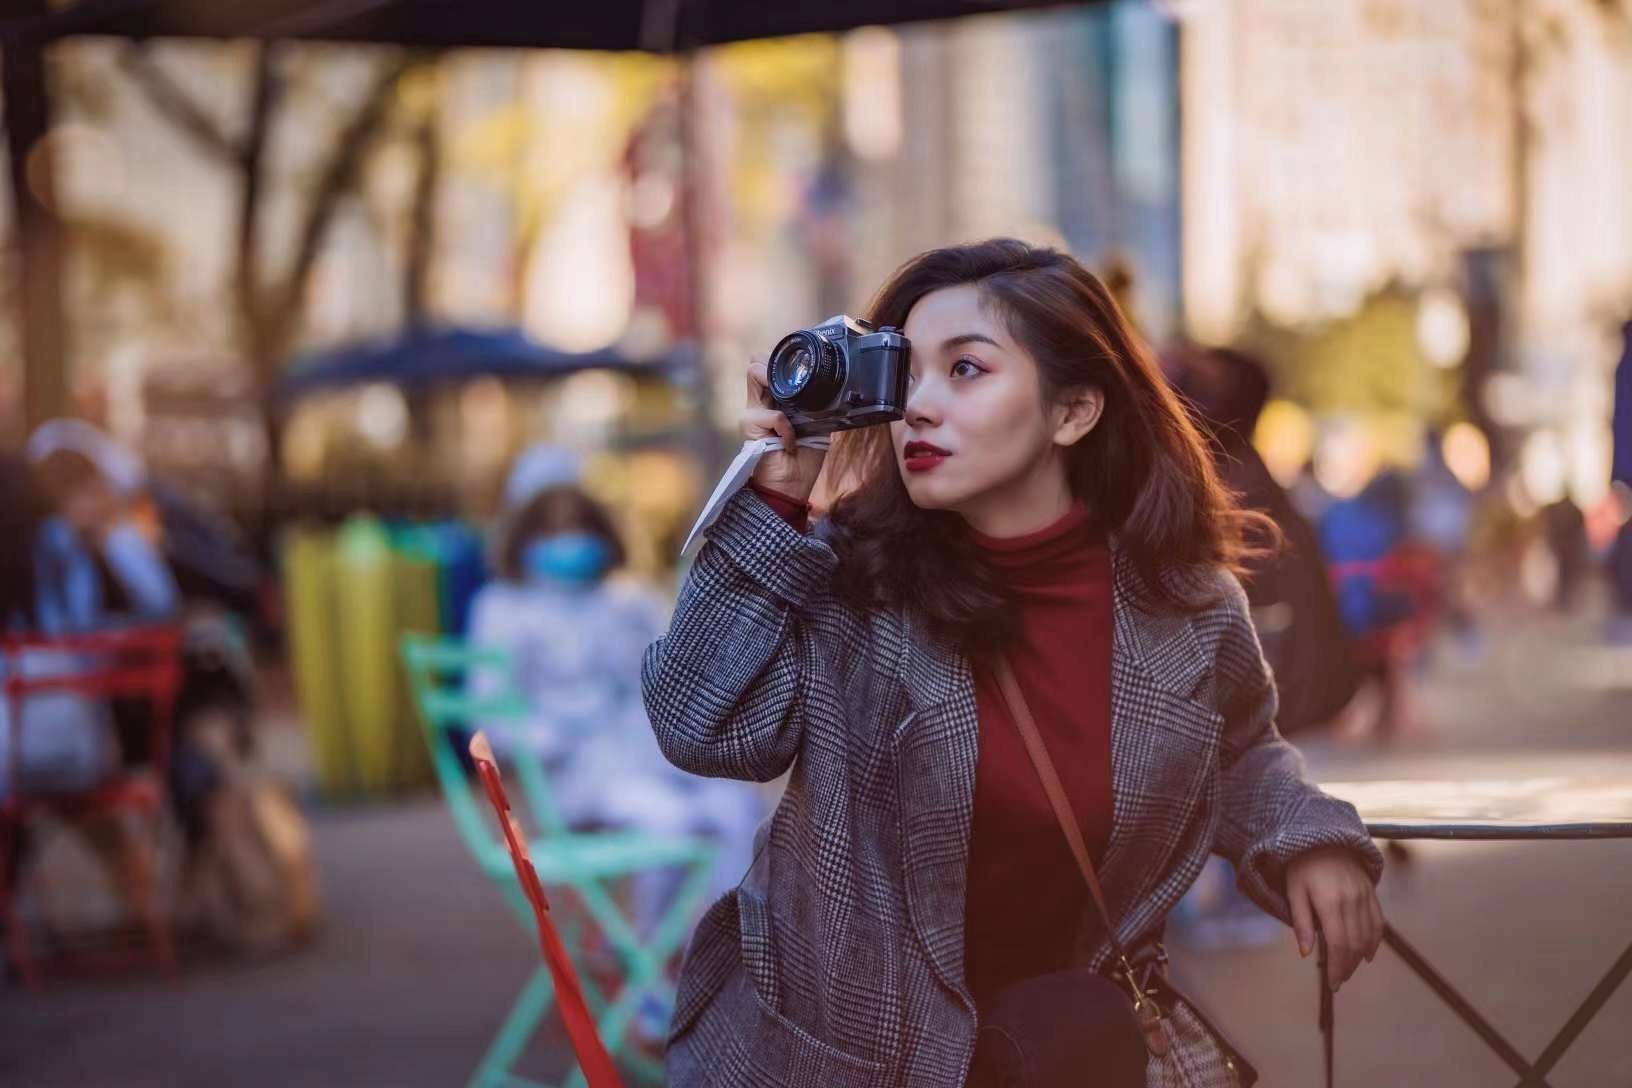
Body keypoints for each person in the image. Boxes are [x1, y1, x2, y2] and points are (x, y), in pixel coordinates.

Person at [644, 240, 1386, 1087]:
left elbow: (1241, 754)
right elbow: (701, 730)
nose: (919, 407)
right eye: (907, 374)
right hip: (841, 1060)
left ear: (1072, 412)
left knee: (1072, 1026)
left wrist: (1310, 841)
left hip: (1059, 1050)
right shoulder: (854, 584)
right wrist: (773, 497)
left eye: (965, 371)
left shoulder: (1185, 606)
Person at [468, 446, 764, 917]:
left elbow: (678, 675)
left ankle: (723, 952)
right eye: (552, 528)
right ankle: (654, 963)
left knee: (739, 809)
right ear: (524, 533)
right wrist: (561, 735)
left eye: (578, 525)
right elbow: (493, 719)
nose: (569, 540)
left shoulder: (628, 599)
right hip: (576, 776)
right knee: (668, 823)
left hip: (657, 756)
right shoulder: (503, 608)